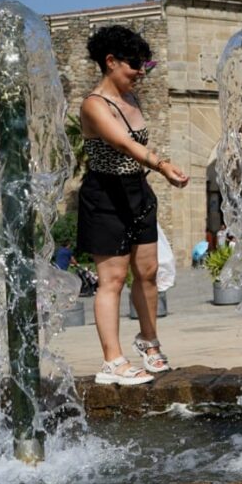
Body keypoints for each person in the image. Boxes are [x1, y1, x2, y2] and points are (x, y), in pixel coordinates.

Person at [77, 25, 190, 386]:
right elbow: (124, 144)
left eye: (146, 65)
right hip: (105, 196)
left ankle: (149, 340)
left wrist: (152, 172)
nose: (142, 72)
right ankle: (112, 360)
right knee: (111, 279)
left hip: (137, 192)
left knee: (148, 273)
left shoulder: (133, 99)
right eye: (135, 65)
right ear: (110, 62)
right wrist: (162, 164)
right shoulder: (94, 105)